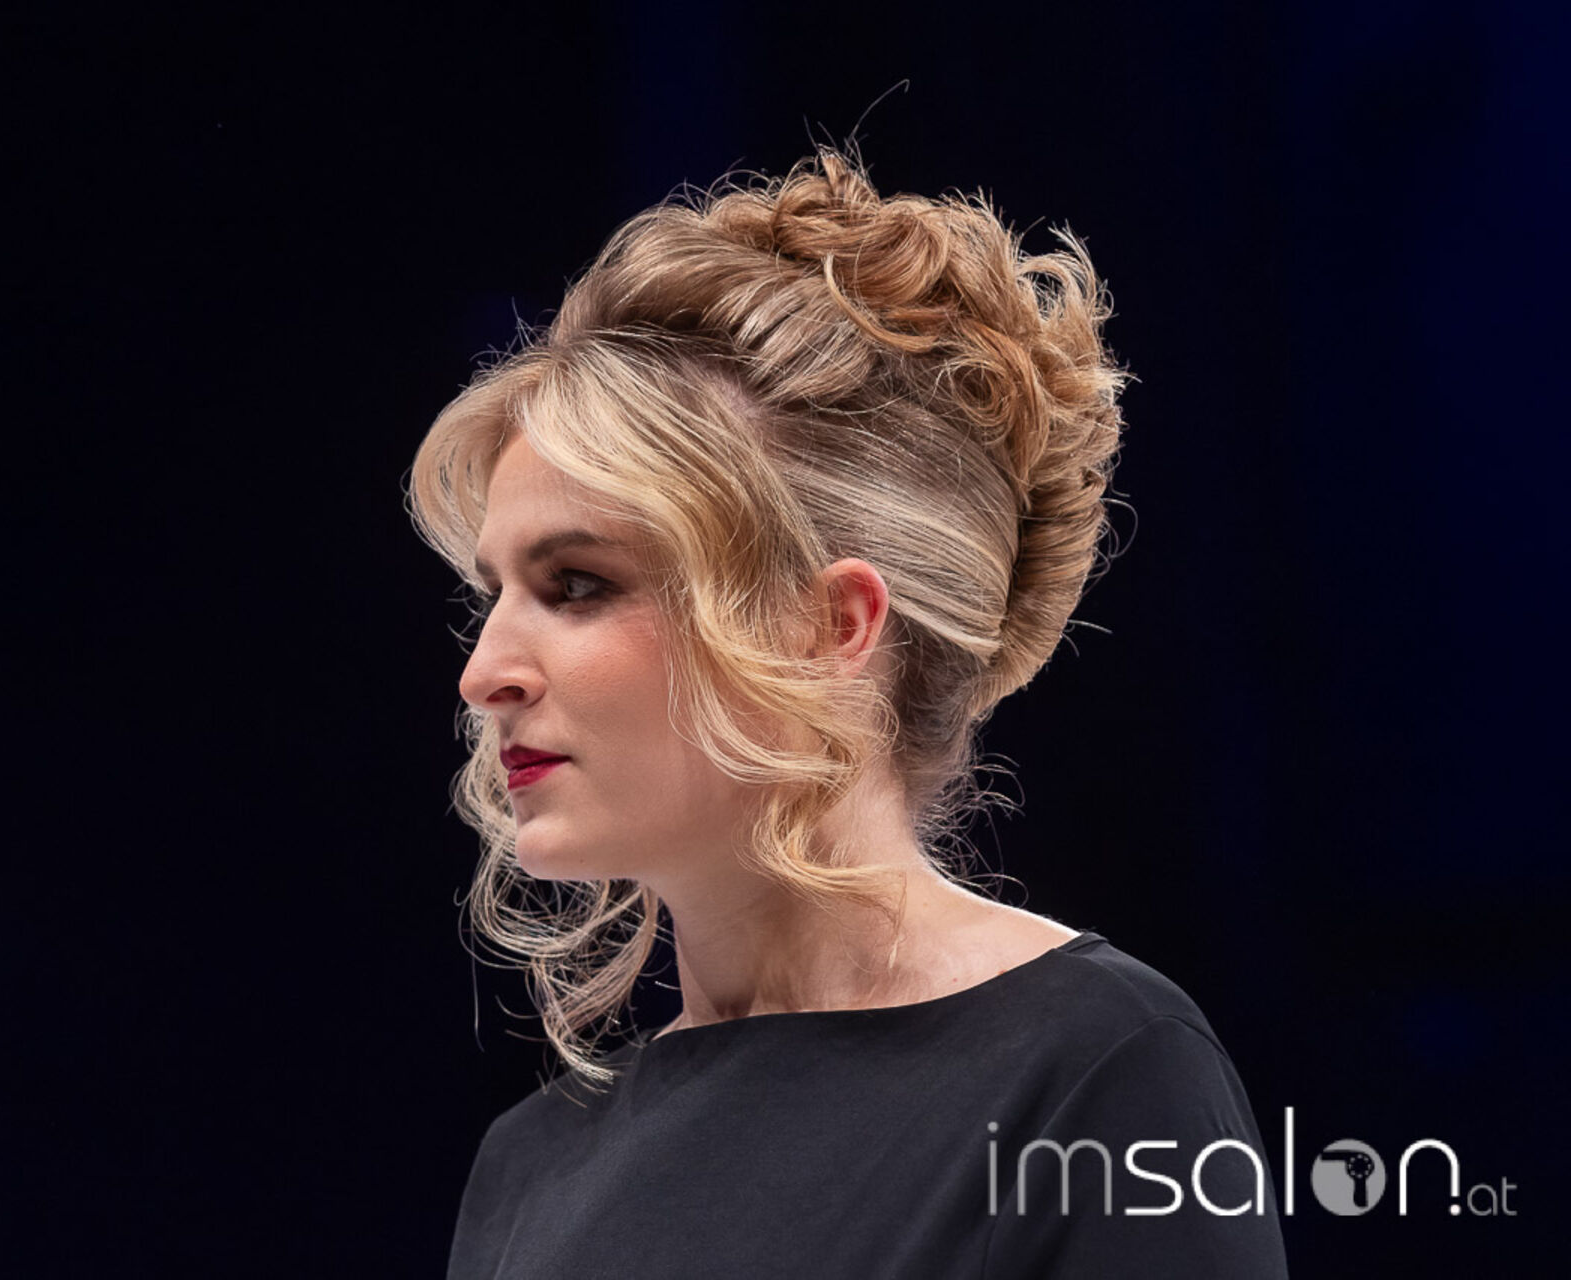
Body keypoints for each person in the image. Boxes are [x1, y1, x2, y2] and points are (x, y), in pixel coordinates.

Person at [408, 148, 1289, 1278]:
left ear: (829, 628)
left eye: (578, 584)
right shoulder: (529, 1166)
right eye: (493, 595)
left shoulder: (1095, 1071)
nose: (484, 671)